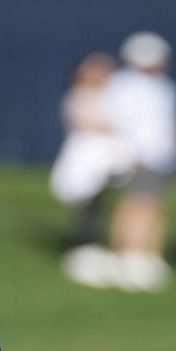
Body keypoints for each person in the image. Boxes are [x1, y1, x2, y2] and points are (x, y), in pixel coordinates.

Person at [103, 30, 176, 292]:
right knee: (136, 205)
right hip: (136, 155)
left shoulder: (165, 86)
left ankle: (148, 254)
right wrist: (127, 152)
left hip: (161, 155)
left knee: (154, 205)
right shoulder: (123, 84)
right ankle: (128, 254)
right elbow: (119, 122)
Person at [51, 50, 127, 287]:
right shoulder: (78, 96)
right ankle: (84, 250)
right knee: (88, 206)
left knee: (102, 206)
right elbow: (87, 123)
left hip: (109, 160)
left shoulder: (114, 96)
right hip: (87, 162)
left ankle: (99, 249)